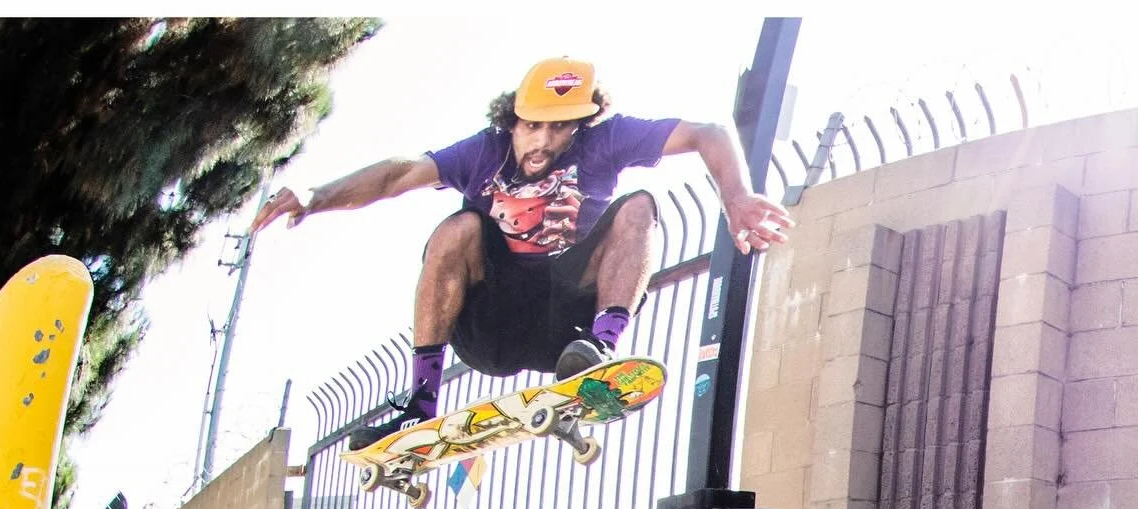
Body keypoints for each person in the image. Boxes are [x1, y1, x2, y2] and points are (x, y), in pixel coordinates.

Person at [252, 56, 793, 446]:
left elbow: (708, 132)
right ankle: (420, 402)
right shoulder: (481, 153)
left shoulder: (606, 141)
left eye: (559, 129)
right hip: (494, 325)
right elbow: (398, 176)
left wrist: (737, 196)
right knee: (457, 228)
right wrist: (316, 197)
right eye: (531, 126)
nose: (543, 142)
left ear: (581, 125)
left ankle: (599, 354)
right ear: (510, 120)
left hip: (567, 324)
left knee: (639, 208)